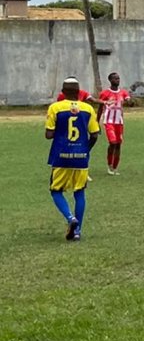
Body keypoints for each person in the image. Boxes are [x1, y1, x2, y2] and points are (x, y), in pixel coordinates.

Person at [45, 77, 100, 241]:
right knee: (80, 192)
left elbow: (48, 134)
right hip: (81, 158)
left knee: (55, 191)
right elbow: (95, 134)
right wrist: (85, 149)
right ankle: (77, 231)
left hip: (61, 156)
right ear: (79, 92)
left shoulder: (55, 107)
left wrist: (60, 131)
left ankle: (70, 218)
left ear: (62, 92)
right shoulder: (88, 108)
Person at [98, 71, 134, 174]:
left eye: (118, 78)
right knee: (112, 143)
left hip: (119, 122)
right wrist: (97, 121)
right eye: (115, 78)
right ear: (110, 80)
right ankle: (109, 164)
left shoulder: (123, 92)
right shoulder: (105, 93)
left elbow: (129, 102)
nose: (117, 80)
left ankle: (115, 167)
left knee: (118, 144)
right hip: (109, 122)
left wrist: (131, 101)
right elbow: (100, 108)